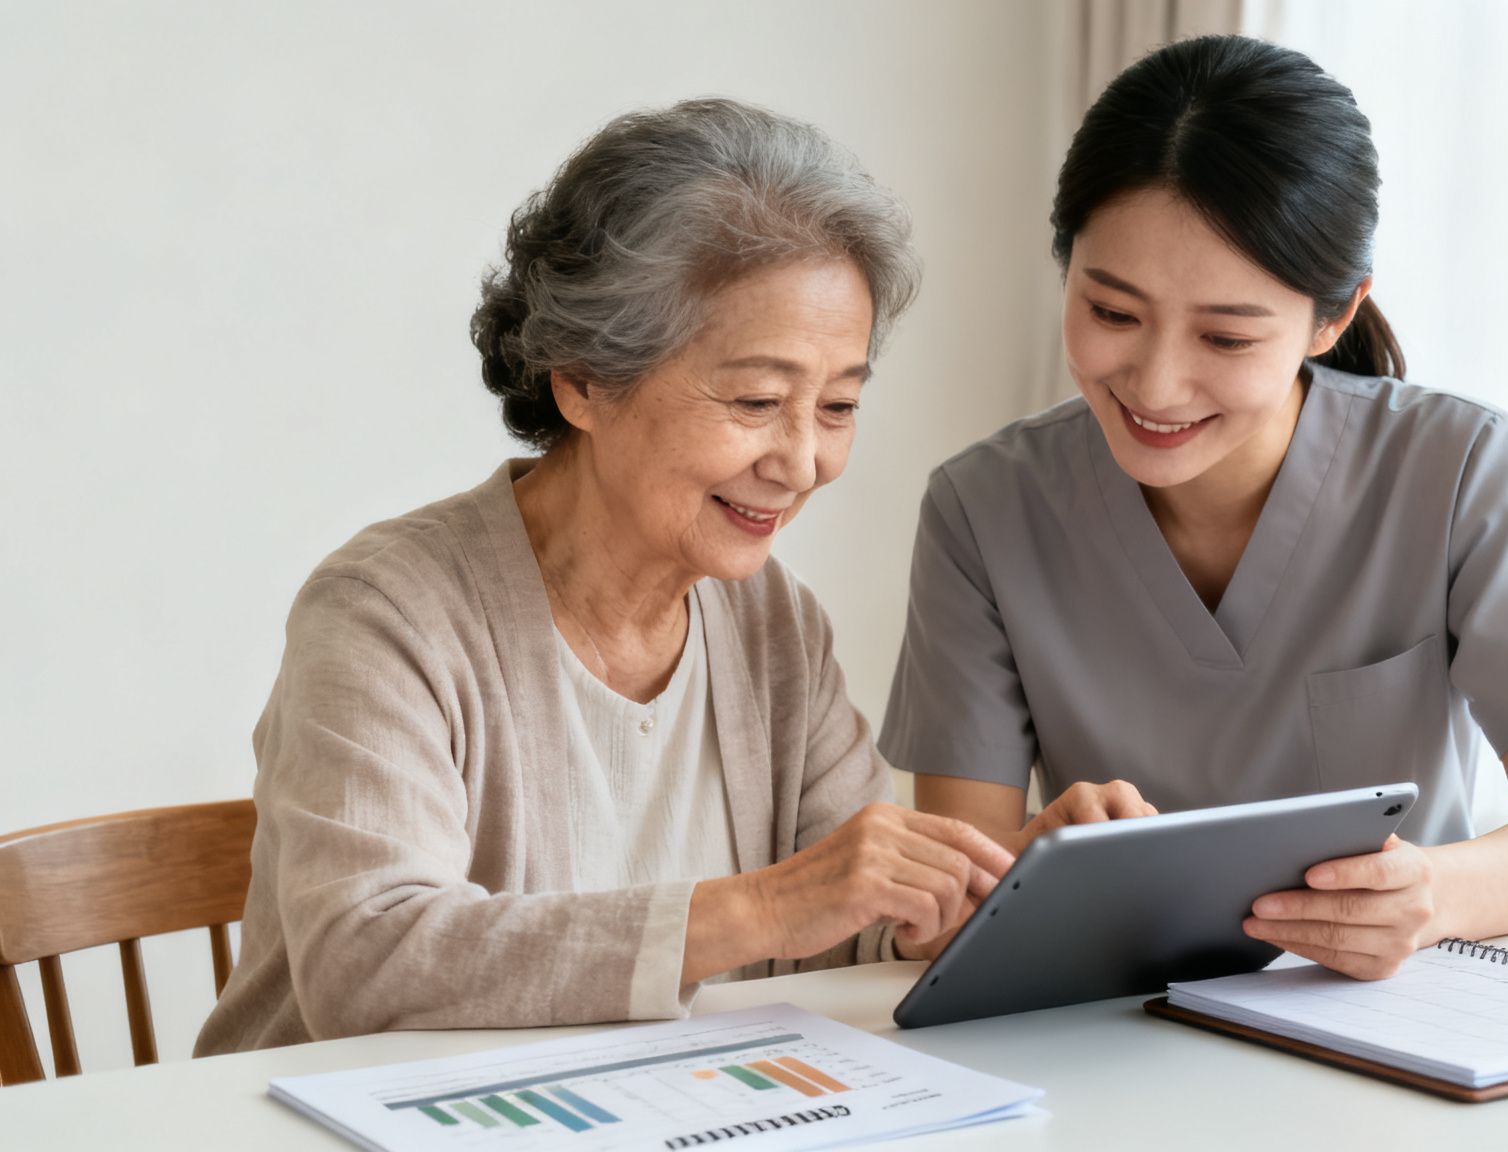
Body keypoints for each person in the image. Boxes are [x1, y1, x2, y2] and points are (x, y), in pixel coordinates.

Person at [198, 99, 1011, 1055]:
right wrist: (757, 910)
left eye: (837, 405)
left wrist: (996, 896)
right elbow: (370, 961)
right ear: (581, 379)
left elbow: (852, 910)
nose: (802, 462)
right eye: (756, 400)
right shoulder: (387, 612)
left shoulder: (770, 621)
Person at [882, 36, 1508, 981]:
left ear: (1331, 319)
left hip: (1397, 1026)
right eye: (1113, 313)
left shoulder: (1457, 471)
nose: (1156, 384)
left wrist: (1436, 896)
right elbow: (944, 909)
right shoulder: (984, 511)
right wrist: (1029, 867)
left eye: (1227, 335)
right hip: (1113, 1040)